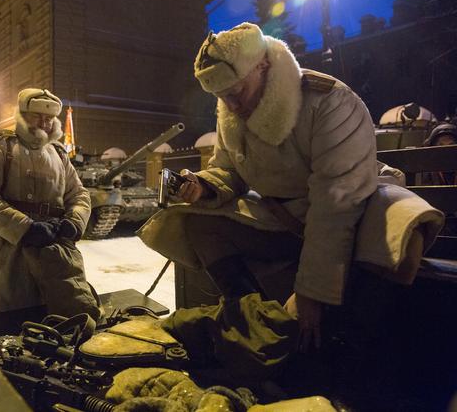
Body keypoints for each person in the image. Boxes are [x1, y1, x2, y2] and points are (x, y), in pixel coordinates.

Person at [138, 23, 443, 351]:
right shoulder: (231, 105)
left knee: (397, 247)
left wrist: (311, 292)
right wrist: (204, 187)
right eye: (221, 97)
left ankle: (357, 349)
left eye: (235, 93)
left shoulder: (330, 101)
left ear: (263, 66)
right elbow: (228, 169)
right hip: (285, 218)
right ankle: (251, 321)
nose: (231, 106)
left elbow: (337, 204)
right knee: (194, 220)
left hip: (354, 211)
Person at [0, 88, 100, 321]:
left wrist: (75, 221)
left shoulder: (59, 155)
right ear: (23, 115)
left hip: (51, 250)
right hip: (5, 251)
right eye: (37, 115)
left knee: (52, 318)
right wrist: (25, 228)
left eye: (49, 117)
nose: (44, 122)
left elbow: (78, 194)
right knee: (1, 321)